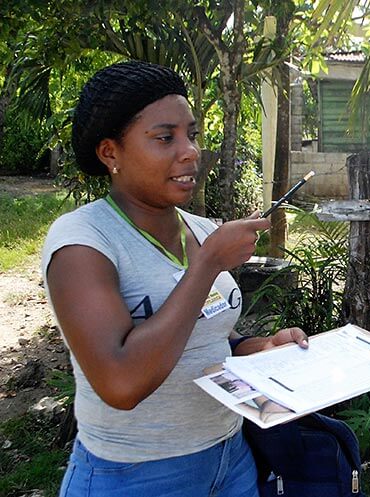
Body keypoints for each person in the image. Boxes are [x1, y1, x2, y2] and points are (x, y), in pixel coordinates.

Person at [44, 60, 308, 497]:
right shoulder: (82, 242)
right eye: (165, 137)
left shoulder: (201, 231)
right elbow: (121, 383)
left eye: (191, 135)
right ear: (110, 153)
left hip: (231, 459)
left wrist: (258, 348)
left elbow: (210, 333)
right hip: (135, 477)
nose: (189, 151)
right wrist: (205, 267)